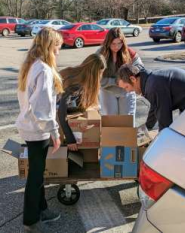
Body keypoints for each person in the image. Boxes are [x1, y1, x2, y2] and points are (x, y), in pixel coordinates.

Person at [16, 27, 63, 233]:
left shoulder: (31, 64)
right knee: (35, 176)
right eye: (57, 47)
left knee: (38, 172)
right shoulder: (43, 69)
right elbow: (42, 108)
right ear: (49, 46)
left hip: (30, 127)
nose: (59, 52)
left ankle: (41, 208)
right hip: (37, 130)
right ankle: (30, 220)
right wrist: (54, 132)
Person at [58, 53, 106, 151]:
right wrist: (70, 139)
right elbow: (61, 112)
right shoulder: (75, 84)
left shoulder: (78, 74)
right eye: (100, 73)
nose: (101, 77)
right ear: (94, 74)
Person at [97, 27, 144, 125]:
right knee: (110, 121)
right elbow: (95, 77)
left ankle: (127, 140)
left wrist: (128, 76)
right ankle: (112, 141)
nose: (116, 47)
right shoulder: (100, 54)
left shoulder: (128, 52)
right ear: (107, 42)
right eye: (113, 44)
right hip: (107, 91)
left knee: (127, 120)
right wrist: (115, 82)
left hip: (126, 91)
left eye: (119, 43)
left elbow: (140, 67)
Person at [117, 64, 185, 131]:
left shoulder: (153, 87)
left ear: (133, 79)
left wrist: (161, 139)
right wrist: (146, 128)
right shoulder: (150, 81)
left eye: (126, 87)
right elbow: (155, 108)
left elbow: (164, 120)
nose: (128, 91)